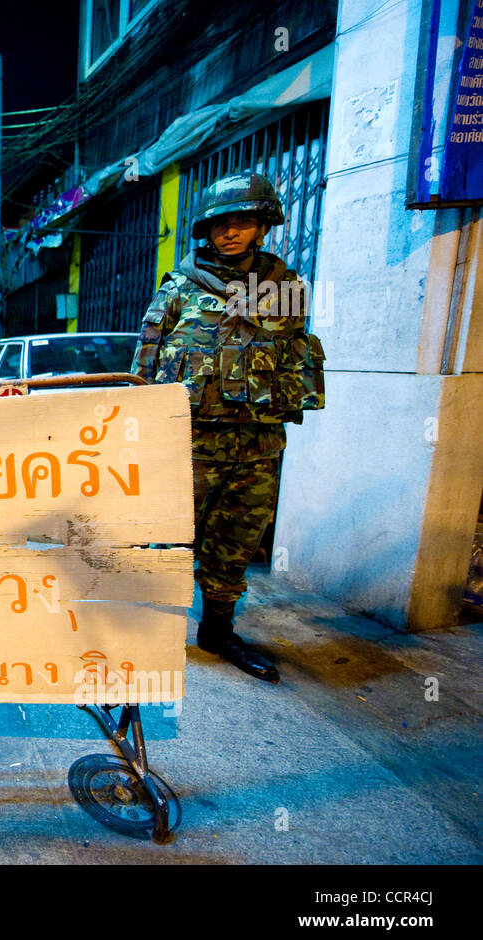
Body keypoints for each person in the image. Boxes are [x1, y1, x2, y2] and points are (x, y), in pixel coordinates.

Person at [131, 172, 325, 683]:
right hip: (189, 446)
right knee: (169, 542)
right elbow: (144, 366)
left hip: (258, 443)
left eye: (243, 222)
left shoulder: (284, 289)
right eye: (221, 224)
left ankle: (218, 630)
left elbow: (295, 357)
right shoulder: (179, 289)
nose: (231, 233)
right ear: (206, 231)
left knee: (237, 543)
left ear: (263, 225)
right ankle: (151, 632)